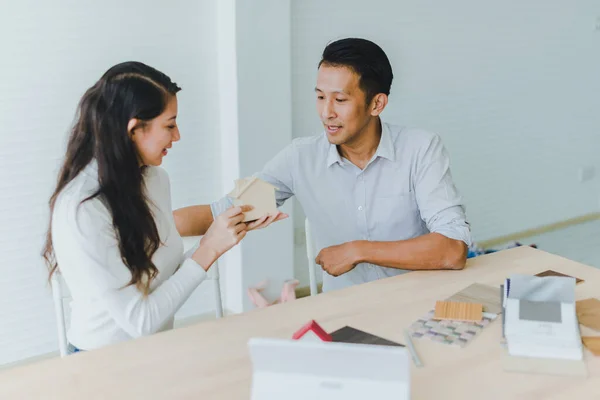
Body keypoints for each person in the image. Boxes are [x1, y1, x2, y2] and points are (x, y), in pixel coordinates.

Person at [181, 38, 471, 293]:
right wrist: (143, 223)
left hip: (417, 300)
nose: (326, 112)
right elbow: (222, 213)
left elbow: (452, 249)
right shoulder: (301, 158)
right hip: (344, 309)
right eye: (320, 97)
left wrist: (358, 251)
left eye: (340, 99)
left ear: (377, 104)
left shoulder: (421, 149)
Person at [42, 62, 284, 353]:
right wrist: (208, 248)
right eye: (169, 125)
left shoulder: (155, 179)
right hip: (100, 362)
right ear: (134, 128)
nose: (177, 135)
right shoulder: (83, 208)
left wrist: (224, 234)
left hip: (155, 348)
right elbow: (141, 321)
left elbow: (163, 275)